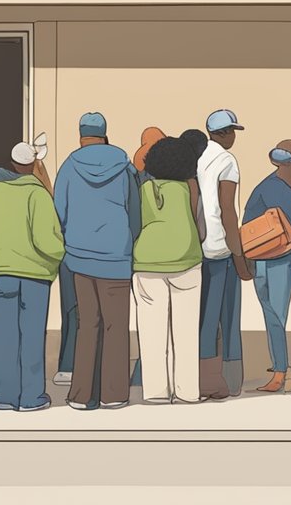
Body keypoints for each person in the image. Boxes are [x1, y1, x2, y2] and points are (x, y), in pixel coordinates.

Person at [53, 113, 139, 411]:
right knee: (116, 326)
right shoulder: (125, 168)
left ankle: (81, 395)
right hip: (117, 257)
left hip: (79, 258)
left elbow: (58, 213)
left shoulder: (68, 167)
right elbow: (135, 213)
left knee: (87, 325)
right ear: (105, 134)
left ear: (81, 136)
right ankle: (113, 394)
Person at [0, 138, 64, 412]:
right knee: (31, 336)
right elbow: (45, 240)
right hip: (31, 274)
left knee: (2, 337)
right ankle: (30, 397)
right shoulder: (38, 194)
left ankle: (4, 397)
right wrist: (61, 253)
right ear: (34, 165)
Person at [132, 136, 204, 404]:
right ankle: (187, 392)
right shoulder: (190, 188)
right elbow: (201, 226)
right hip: (186, 259)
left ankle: (156, 392)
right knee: (185, 330)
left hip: (147, 262)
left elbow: (136, 225)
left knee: (151, 330)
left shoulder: (143, 190)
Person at [197, 110, 252, 401]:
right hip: (221, 248)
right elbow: (227, 210)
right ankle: (229, 381)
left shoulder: (198, 156)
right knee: (227, 317)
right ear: (225, 133)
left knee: (204, 316)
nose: (234, 136)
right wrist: (239, 253)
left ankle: (202, 377)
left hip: (198, 246)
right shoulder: (227, 161)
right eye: (232, 131)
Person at [242, 139, 291, 393]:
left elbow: (248, 224)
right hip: (273, 259)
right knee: (274, 314)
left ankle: (280, 370)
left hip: (276, 259)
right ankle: (279, 364)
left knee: (275, 315)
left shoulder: (267, 187)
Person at [127, 125, 166, 389]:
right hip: (168, 255)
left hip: (139, 255)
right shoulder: (172, 178)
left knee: (147, 318)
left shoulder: (134, 178)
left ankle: (143, 373)